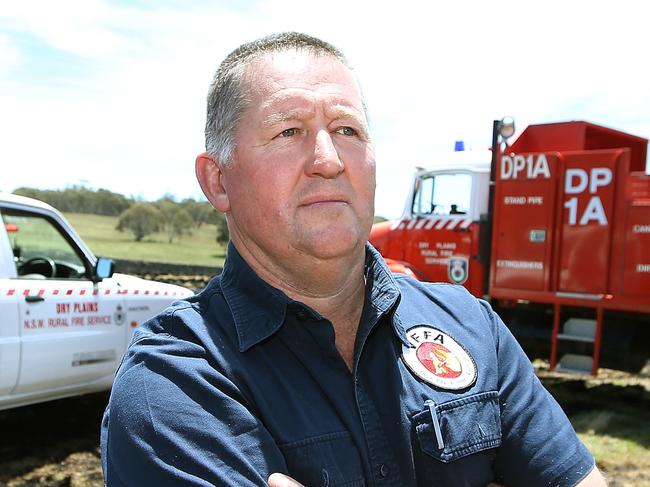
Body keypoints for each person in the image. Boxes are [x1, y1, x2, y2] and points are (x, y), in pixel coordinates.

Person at [100, 32, 606, 487]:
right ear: (217, 180)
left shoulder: (473, 326)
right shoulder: (176, 381)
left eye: (348, 130)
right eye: (287, 131)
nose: (328, 160)